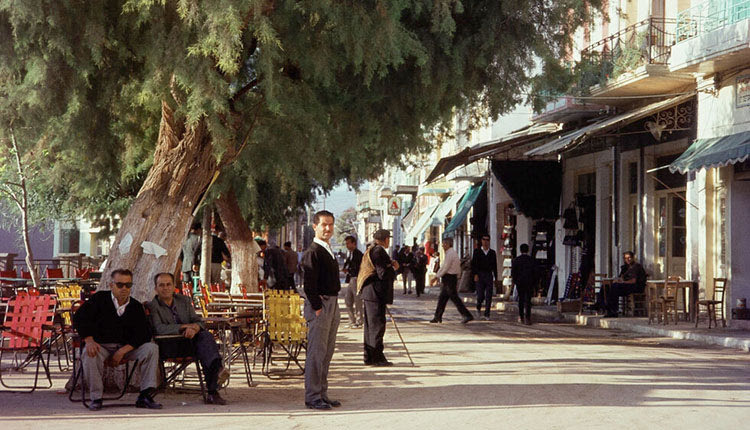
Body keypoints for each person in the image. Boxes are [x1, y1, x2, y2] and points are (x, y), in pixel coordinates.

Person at [72, 269, 162, 411]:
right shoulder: (99, 299)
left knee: (151, 349)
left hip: (125, 348)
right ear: (111, 285)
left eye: (128, 285)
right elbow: (79, 319)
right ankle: (96, 397)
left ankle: (145, 395)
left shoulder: (136, 306)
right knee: (89, 353)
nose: (124, 289)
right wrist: (89, 340)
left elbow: (143, 333)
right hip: (101, 346)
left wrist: (123, 351)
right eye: (120, 285)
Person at [146, 272, 230, 405]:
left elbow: (199, 321)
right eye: (161, 285)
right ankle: (216, 378)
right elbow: (158, 328)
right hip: (169, 345)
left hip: (191, 343)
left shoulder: (183, 301)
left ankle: (214, 386)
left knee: (205, 337)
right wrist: (183, 327)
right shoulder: (153, 306)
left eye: (169, 284)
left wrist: (195, 327)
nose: (165, 288)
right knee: (205, 345)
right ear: (156, 288)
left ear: (174, 286)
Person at [301, 210, 341, 410]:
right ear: (315, 226)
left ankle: (322, 393)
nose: (328, 228)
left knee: (326, 352)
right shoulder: (313, 252)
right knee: (316, 353)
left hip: (332, 304)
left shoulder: (327, 249)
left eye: (331, 224)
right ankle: (313, 396)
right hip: (321, 305)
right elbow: (308, 284)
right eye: (324, 224)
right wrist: (317, 307)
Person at [357, 229, 396, 366]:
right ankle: (377, 358)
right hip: (375, 293)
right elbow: (383, 274)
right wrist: (393, 268)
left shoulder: (371, 250)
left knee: (370, 327)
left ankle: (369, 357)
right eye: (388, 239)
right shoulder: (378, 251)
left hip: (370, 293)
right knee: (377, 327)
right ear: (385, 239)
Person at [429, 238, 474, 324]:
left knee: (454, 298)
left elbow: (445, 268)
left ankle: (467, 315)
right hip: (448, 278)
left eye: (444, 244)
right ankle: (437, 316)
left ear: (449, 244)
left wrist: (436, 277)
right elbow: (443, 267)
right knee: (442, 298)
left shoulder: (451, 253)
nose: (442, 246)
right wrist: (437, 276)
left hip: (450, 278)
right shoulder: (449, 253)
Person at [604, 251, 647, 318]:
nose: (627, 260)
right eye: (625, 258)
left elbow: (633, 281)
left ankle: (613, 310)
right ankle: (603, 306)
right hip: (626, 286)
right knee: (606, 286)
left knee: (615, 287)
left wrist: (622, 282)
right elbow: (621, 277)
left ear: (633, 258)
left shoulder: (636, 267)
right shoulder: (625, 267)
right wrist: (618, 280)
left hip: (636, 287)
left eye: (629, 258)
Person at [471, 234, 498, 320]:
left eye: (487, 240)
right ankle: (478, 307)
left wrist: (496, 278)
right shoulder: (477, 252)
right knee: (480, 295)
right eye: (484, 240)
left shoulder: (492, 253)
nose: (485, 242)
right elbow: (473, 264)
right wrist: (475, 274)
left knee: (489, 295)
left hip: (489, 275)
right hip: (480, 275)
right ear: (481, 241)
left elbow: (495, 266)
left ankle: (487, 314)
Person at [512, 243, 537, 325]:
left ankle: (521, 316)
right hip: (529, 282)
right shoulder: (532, 260)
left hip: (520, 282)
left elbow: (513, 273)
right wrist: (535, 283)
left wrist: (515, 281)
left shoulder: (516, 260)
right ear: (528, 250)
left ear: (520, 250)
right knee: (528, 300)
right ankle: (528, 317)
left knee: (521, 299)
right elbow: (535, 272)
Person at [342, 235, 364, 328]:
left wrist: (349, 270)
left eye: (348, 243)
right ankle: (352, 320)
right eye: (346, 243)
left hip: (356, 278)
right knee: (348, 300)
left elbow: (358, 267)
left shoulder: (358, 254)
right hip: (351, 279)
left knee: (357, 300)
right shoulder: (349, 253)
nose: (347, 245)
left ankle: (359, 321)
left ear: (354, 243)